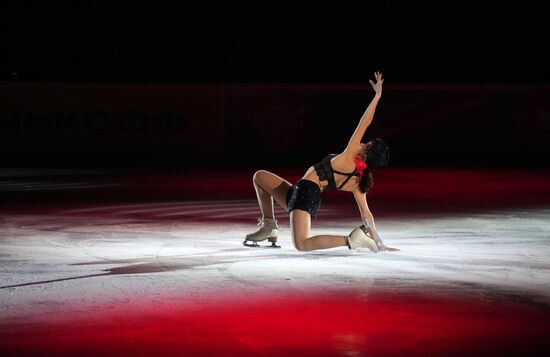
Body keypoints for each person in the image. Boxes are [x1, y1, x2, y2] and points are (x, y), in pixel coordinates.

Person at [244, 71, 399, 252]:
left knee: (301, 244)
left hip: (305, 193)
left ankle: (351, 240)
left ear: (365, 153)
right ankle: (269, 225)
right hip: (299, 190)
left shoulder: (349, 156)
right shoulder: (359, 181)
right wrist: (380, 244)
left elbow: (363, 123)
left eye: (367, 144)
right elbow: (367, 215)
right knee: (260, 177)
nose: (363, 143)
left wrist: (377, 96)